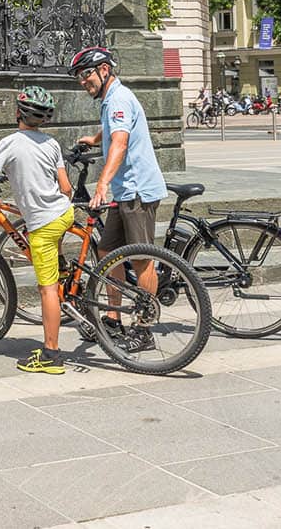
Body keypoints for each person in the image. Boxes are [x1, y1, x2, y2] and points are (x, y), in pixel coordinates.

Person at [0, 86, 74, 375]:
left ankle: (51, 354)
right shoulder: (52, 144)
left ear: (18, 113)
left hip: (43, 225)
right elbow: (66, 187)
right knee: (54, 245)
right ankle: (62, 263)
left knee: (47, 289)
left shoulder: (10, 143)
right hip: (64, 213)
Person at [71, 45, 165, 352]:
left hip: (137, 191)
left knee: (140, 259)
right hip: (125, 191)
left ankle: (144, 329)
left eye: (86, 74)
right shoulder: (110, 100)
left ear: (104, 70)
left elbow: (120, 143)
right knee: (107, 250)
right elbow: (114, 128)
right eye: (79, 76)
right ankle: (113, 318)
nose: (83, 81)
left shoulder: (119, 98)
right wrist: (95, 138)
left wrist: (101, 184)